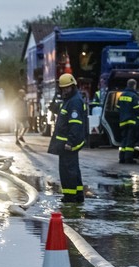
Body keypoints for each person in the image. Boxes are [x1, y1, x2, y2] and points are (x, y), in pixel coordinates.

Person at [47, 73, 88, 203]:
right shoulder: (69, 100)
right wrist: (54, 103)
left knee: (68, 171)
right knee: (72, 169)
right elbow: (59, 110)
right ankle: (78, 195)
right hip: (65, 143)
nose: (65, 90)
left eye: (67, 88)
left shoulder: (74, 101)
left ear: (73, 86)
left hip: (68, 144)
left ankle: (70, 197)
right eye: (63, 88)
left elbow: (75, 125)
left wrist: (70, 142)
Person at [117, 78, 139, 164]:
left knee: (124, 140)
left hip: (123, 121)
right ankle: (128, 159)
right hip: (132, 121)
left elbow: (118, 108)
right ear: (134, 86)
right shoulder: (134, 96)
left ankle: (121, 158)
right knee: (130, 141)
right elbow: (137, 108)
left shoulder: (122, 95)